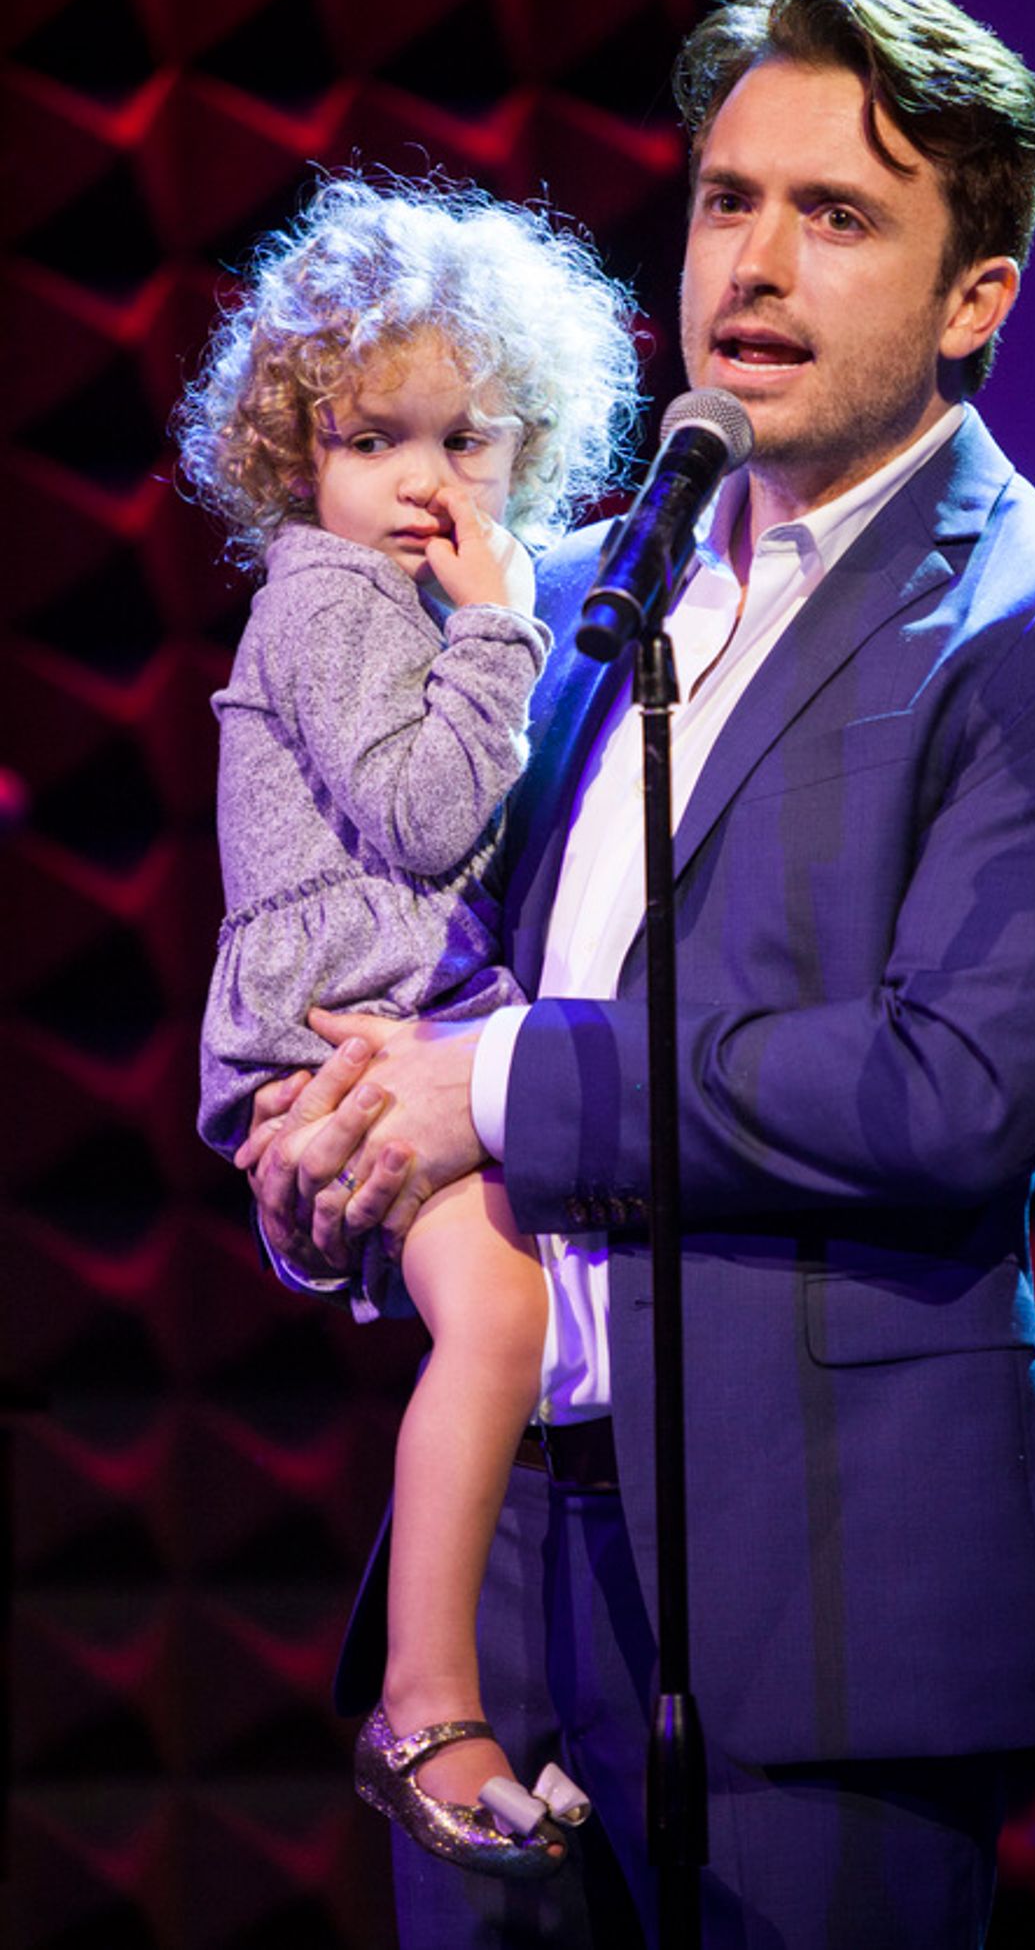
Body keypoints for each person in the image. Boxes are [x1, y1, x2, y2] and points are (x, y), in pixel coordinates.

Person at [243, 0, 1035, 1947]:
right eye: (726, 200)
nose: (755, 264)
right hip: (508, 1579)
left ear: (976, 299)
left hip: (824, 1600)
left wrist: (491, 1092)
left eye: (837, 216)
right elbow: (397, 932)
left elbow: (941, 1091)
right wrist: (334, 1151)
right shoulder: (564, 591)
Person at [178, 172, 640, 1876]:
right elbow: (424, 811)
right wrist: (507, 618)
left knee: (531, 1321)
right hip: (347, 1021)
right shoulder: (329, 596)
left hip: (414, 1007)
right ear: (300, 448)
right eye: (381, 439)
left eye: (472, 446)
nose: (428, 489)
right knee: (504, 1324)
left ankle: (522, 1703)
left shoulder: (412, 602)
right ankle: (428, 1702)